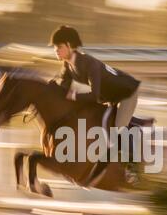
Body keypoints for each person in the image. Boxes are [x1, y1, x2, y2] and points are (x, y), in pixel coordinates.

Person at [50, 25, 141, 187]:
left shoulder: (89, 63)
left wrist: (75, 95)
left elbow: (95, 96)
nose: (56, 50)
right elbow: (62, 90)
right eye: (55, 47)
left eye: (59, 47)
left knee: (117, 128)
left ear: (70, 46)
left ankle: (132, 168)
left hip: (127, 93)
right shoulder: (67, 66)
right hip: (112, 97)